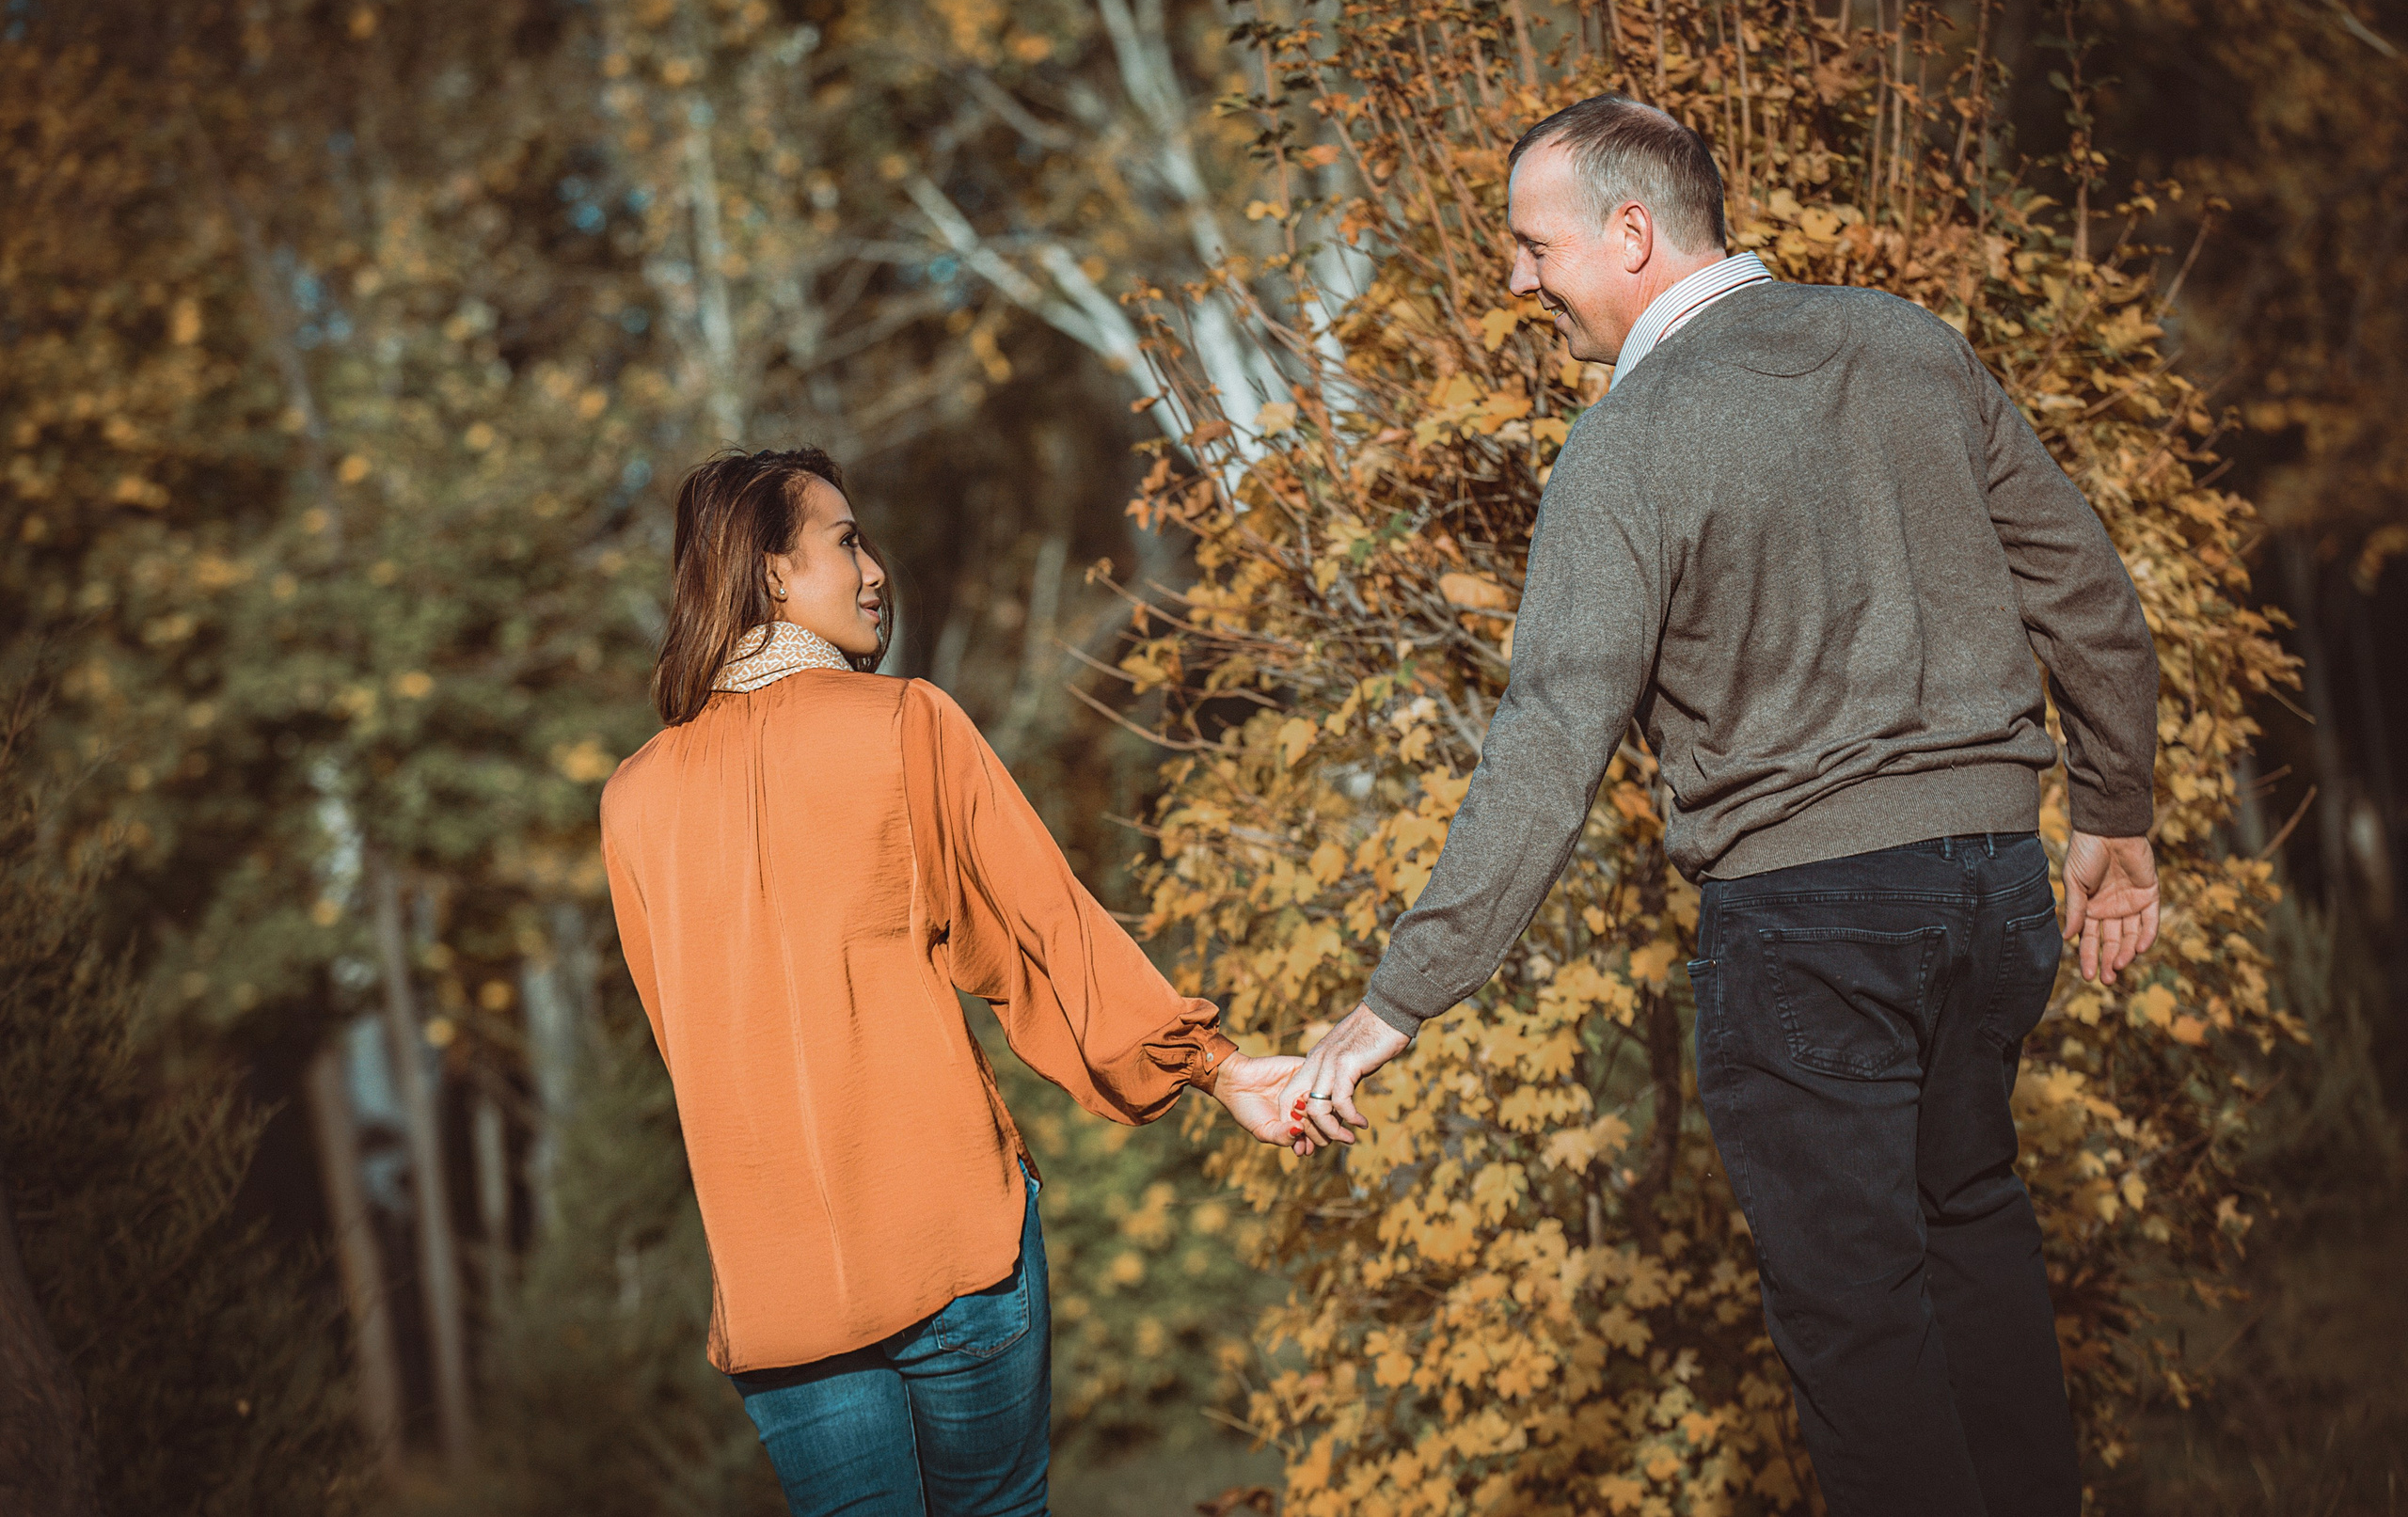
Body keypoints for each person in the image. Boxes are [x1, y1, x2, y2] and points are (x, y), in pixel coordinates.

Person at [1280, 97, 2162, 1516]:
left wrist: (1401, 994)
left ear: (1630, 232)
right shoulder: (1906, 342)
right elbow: (2086, 589)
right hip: (1995, 887)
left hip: (1811, 920)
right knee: (1974, 1234)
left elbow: (1550, 738)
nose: (1517, 279)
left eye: (1531, 243)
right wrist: (2117, 808)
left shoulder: (1630, 442)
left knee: (1862, 1324)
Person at [599, 448, 1308, 1517]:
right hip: (954, 1244)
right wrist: (1211, 1068)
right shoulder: (902, 723)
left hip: (778, 1285)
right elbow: (1042, 935)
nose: (875, 568)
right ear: (772, 575)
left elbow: (685, 1039)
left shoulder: (632, 800)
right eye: (846, 542)